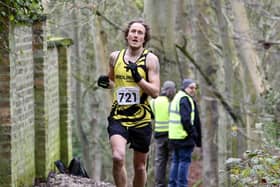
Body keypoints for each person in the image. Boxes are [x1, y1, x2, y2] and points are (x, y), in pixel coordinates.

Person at [97, 19, 160, 187]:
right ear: (127, 35)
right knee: (118, 157)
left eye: (140, 33)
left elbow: (155, 92)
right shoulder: (115, 57)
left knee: (140, 167)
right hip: (119, 116)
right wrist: (105, 82)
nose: (136, 35)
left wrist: (138, 79)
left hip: (141, 119)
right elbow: (112, 81)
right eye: (133, 31)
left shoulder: (150, 60)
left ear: (144, 39)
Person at [168, 79, 202, 187]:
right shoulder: (184, 99)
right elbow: (186, 120)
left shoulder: (177, 97)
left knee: (176, 161)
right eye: (191, 88)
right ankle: (181, 185)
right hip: (183, 136)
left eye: (194, 88)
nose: (193, 90)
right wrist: (193, 134)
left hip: (175, 136)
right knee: (184, 162)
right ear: (185, 87)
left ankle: (172, 185)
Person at [150, 80, 176, 187]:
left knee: (159, 161)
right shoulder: (172, 102)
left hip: (159, 135)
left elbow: (152, 116)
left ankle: (159, 184)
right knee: (171, 160)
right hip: (172, 135)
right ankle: (171, 183)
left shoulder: (154, 101)